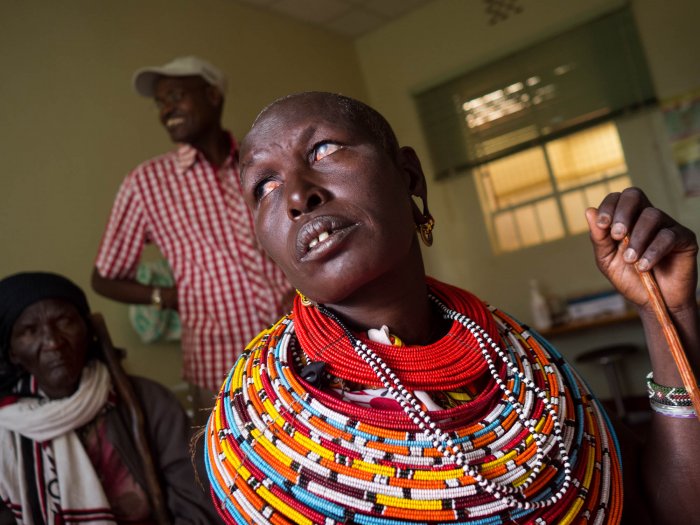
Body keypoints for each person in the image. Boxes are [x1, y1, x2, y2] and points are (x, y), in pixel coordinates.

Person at [202, 92, 700, 524]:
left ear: (409, 176)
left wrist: (666, 312)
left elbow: (667, 512)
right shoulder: (258, 431)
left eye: (323, 148)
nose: (295, 196)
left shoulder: (526, 371)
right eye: (263, 185)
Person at [91, 56, 293, 416]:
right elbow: (105, 278)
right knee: (234, 467)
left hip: (299, 339)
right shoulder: (147, 182)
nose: (167, 109)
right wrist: (168, 296)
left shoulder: (260, 162)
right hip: (220, 362)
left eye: (177, 95)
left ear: (213, 95)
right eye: (160, 102)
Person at [0, 272, 221, 524]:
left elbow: (197, 502)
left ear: (88, 329)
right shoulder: (6, 429)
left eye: (63, 321)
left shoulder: (150, 401)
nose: (52, 342)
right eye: (29, 331)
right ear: (13, 353)